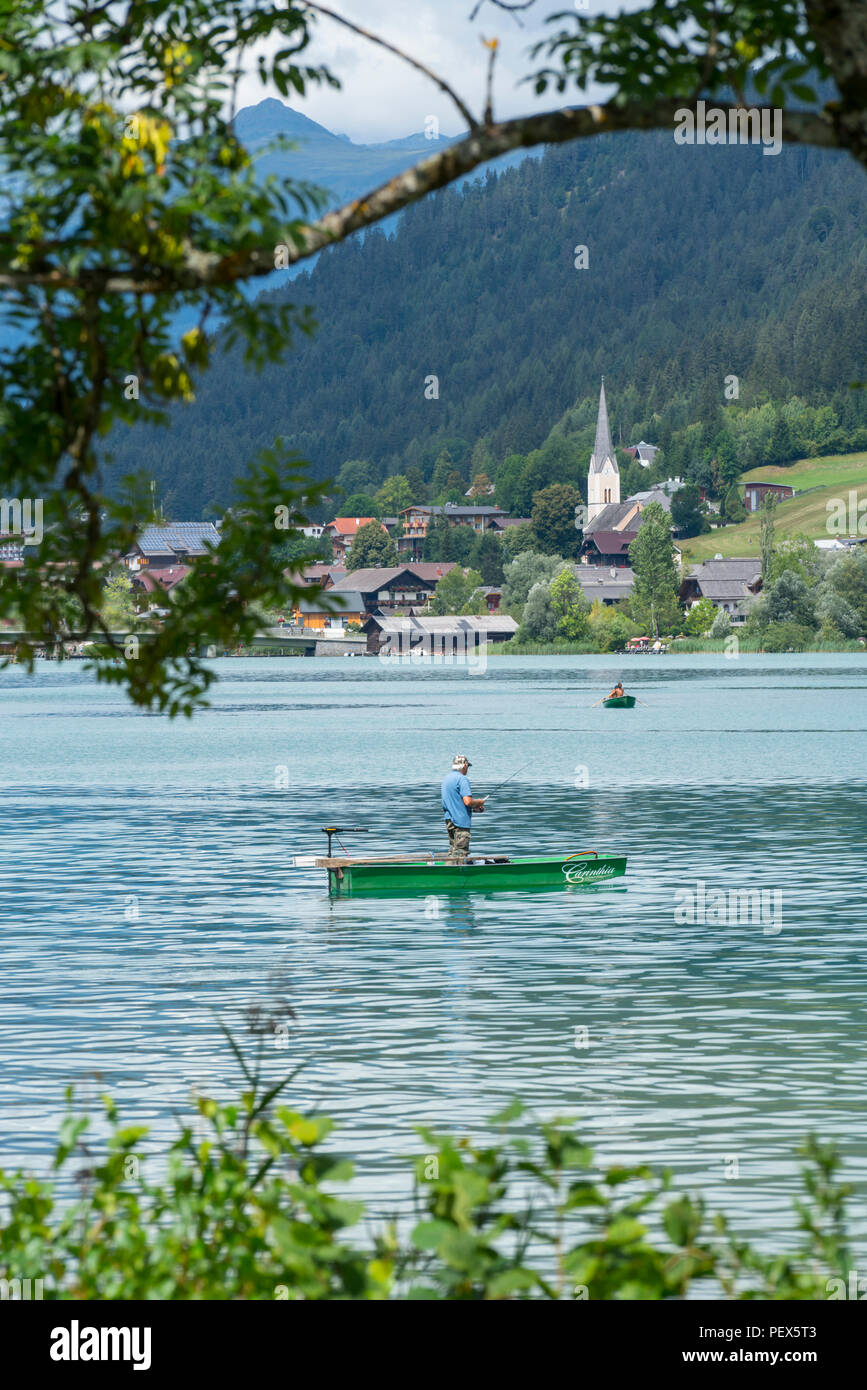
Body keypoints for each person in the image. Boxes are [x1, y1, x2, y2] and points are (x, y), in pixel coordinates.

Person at [441, 754, 485, 863]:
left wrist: (474, 808)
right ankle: (457, 877)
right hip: (460, 822)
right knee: (461, 853)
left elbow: (455, 801)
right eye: (467, 767)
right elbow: (467, 801)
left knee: (453, 852)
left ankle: (448, 873)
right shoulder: (462, 779)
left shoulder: (447, 779)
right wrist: (479, 802)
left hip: (449, 820)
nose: (467, 769)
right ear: (464, 766)